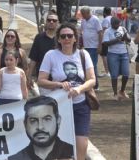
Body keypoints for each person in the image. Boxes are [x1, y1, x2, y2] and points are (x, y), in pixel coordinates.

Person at [38, 23, 96, 160]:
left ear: (75, 38)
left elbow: (92, 80)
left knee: (81, 142)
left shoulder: (83, 54)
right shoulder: (51, 55)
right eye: (63, 36)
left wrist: (79, 89)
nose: (66, 39)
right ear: (58, 39)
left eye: (70, 36)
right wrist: (58, 84)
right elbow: (41, 80)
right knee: (63, 147)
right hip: (59, 106)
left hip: (81, 105)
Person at [8, 96, 74, 160]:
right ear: (25, 124)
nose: (40, 127)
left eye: (47, 119)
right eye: (33, 121)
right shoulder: (15, 158)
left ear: (58, 121)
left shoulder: (72, 152)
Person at [27, 12, 59, 94]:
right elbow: (33, 58)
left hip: (60, 79)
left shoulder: (62, 38)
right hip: (44, 80)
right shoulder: (39, 38)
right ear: (46, 22)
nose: (51, 22)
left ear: (57, 23)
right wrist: (29, 76)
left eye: (54, 20)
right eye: (49, 20)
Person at [102, 17, 131, 101]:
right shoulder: (108, 31)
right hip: (113, 54)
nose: (117, 26)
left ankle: (122, 91)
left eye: (118, 24)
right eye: (115, 24)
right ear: (111, 24)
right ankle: (115, 93)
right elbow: (105, 43)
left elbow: (129, 40)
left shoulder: (123, 28)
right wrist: (117, 40)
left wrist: (126, 36)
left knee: (126, 74)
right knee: (114, 75)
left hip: (124, 53)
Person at [80, 6, 103, 91]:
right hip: (86, 46)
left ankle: (95, 85)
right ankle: (89, 83)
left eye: (83, 14)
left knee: (92, 65)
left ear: (88, 13)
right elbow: (81, 32)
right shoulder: (83, 21)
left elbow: (100, 33)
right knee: (86, 65)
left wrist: (100, 46)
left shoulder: (95, 20)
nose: (82, 15)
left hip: (93, 46)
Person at [99, 6, 112, 77]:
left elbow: (104, 30)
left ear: (104, 12)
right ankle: (111, 71)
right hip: (113, 40)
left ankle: (107, 72)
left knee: (104, 56)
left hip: (106, 40)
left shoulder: (106, 20)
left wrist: (101, 41)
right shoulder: (113, 18)